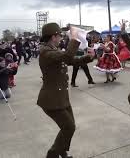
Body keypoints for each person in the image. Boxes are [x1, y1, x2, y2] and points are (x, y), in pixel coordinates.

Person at [37, 23, 94, 158]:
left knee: (69, 127)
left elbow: (70, 60)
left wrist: (88, 57)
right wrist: (74, 39)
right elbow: (68, 56)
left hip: (61, 97)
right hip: (51, 100)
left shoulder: (53, 50)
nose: (61, 38)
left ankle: (61, 151)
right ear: (53, 37)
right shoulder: (46, 52)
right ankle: (53, 154)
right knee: (69, 127)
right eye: (59, 36)